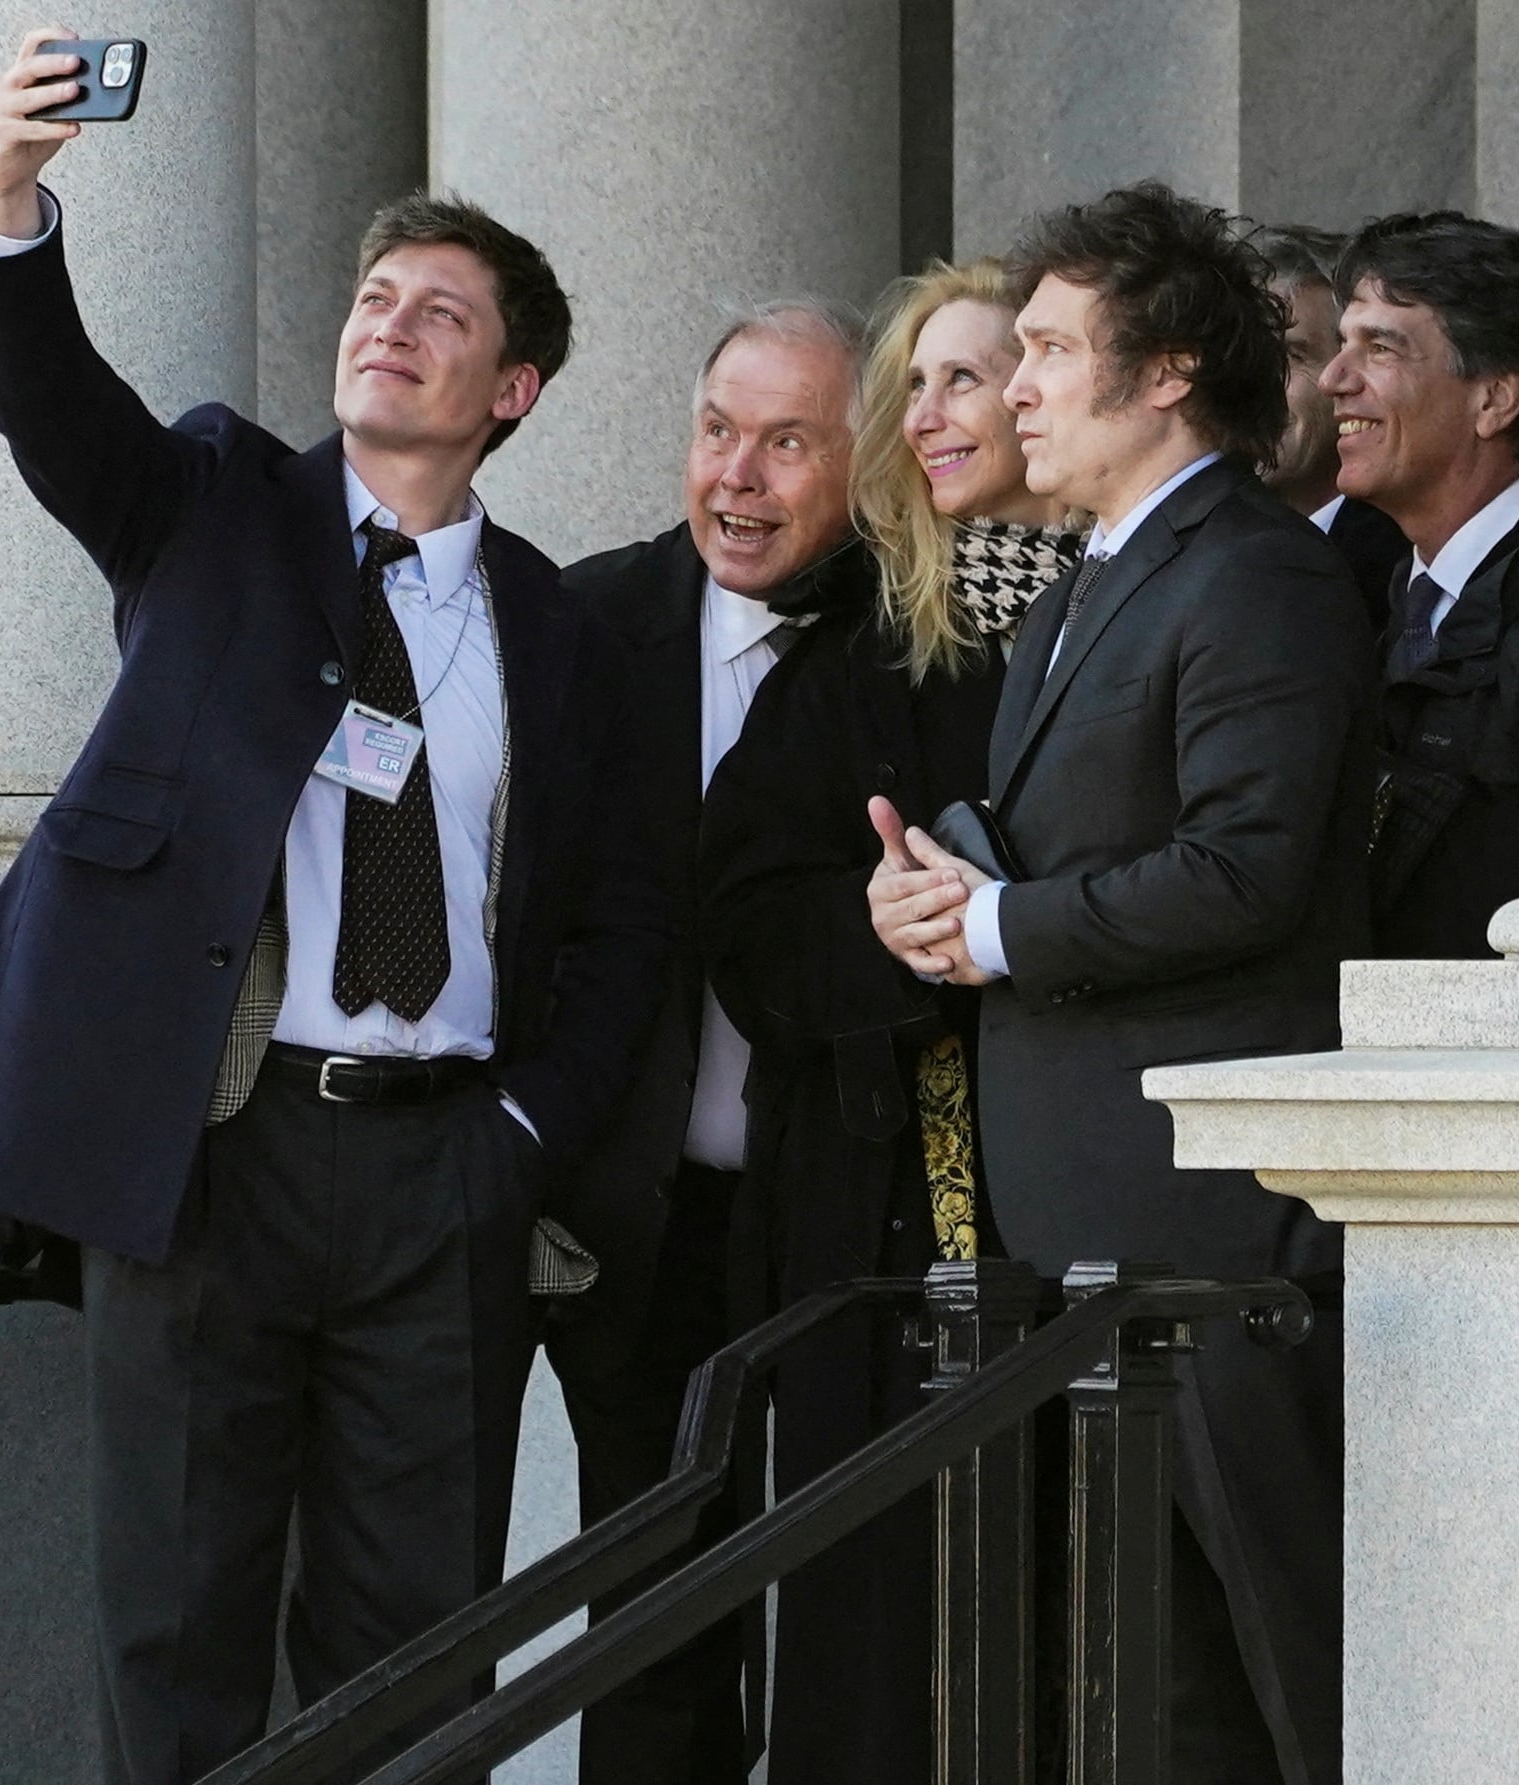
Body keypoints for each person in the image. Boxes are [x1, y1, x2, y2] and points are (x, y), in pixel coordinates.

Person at [0, 33, 667, 1785]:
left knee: (417, 1636)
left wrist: (518, 1136)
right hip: (214, 1153)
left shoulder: (555, 630)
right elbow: (56, 409)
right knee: (177, 1615)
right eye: (376, 297)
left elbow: (609, 928)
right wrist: (9, 199)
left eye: (442, 314)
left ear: (512, 389)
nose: (391, 324)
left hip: (442, 1165)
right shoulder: (213, 507)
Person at [864, 181, 1370, 1785]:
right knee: (1162, 1693)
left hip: (1211, 1231)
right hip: (1096, 1232)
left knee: (1286, 1672)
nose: (1012, 387)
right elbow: (1061, 852)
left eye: (1047, 351)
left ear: (1163, 376)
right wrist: (937, 908)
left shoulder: (1257, 573)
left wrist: (1004, 930)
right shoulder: (1085, 581)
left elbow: (1246, 870)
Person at [695, 259, 1082, 1782]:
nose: (930, 414)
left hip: (1094, 1183)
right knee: (880, 1624)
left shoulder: (1140, 603)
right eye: (911, 385)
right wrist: (881, 933)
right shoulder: (855, 643)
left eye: (968, 377)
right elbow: (746, 910)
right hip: (884, 1211)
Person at [554, 298, 868, 1784]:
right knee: (651, 1606)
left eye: (788, 441)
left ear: (863, 464)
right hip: (638, 1211)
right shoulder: (582, 624)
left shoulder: (919, 637)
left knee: (849, 1609)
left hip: (841, 1217)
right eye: (716, 432)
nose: (737, 477)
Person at [1319, 211, 1519, 959]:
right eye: (1342, 345)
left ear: (1495, 399)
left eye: (1380, 347)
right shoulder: (1377, 597)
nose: (1334, 379)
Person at [1254, 223, 1408, 623]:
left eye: (1290, 355)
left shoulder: (1403, 566)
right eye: (1238, 355)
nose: (1250, 383)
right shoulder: (1190, 545)